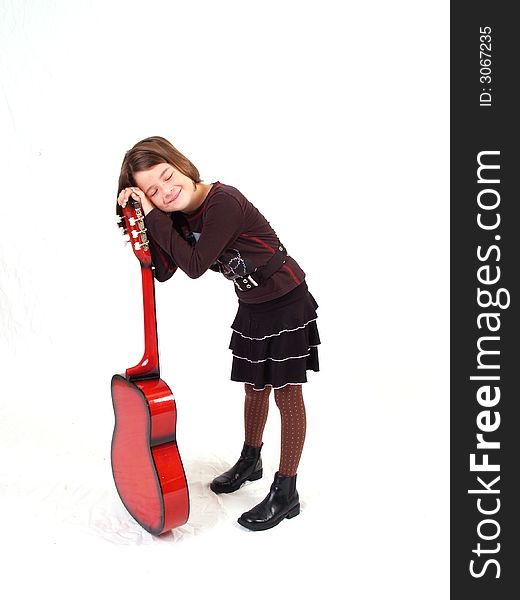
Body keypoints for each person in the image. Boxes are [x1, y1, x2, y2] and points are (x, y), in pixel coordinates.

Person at [116, 136, 320, 531]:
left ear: (181, 164)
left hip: (286, 300)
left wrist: (152, 214)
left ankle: (287, 490)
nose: (167, 190)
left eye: (167, 176)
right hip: (253, 305)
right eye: (153, 191)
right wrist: (137, 220)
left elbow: (193, 263)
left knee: (287, 394)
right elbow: (166, 268)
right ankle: (251, 460)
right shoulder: (174, 216)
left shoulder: (224, 202)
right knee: (253, 389)